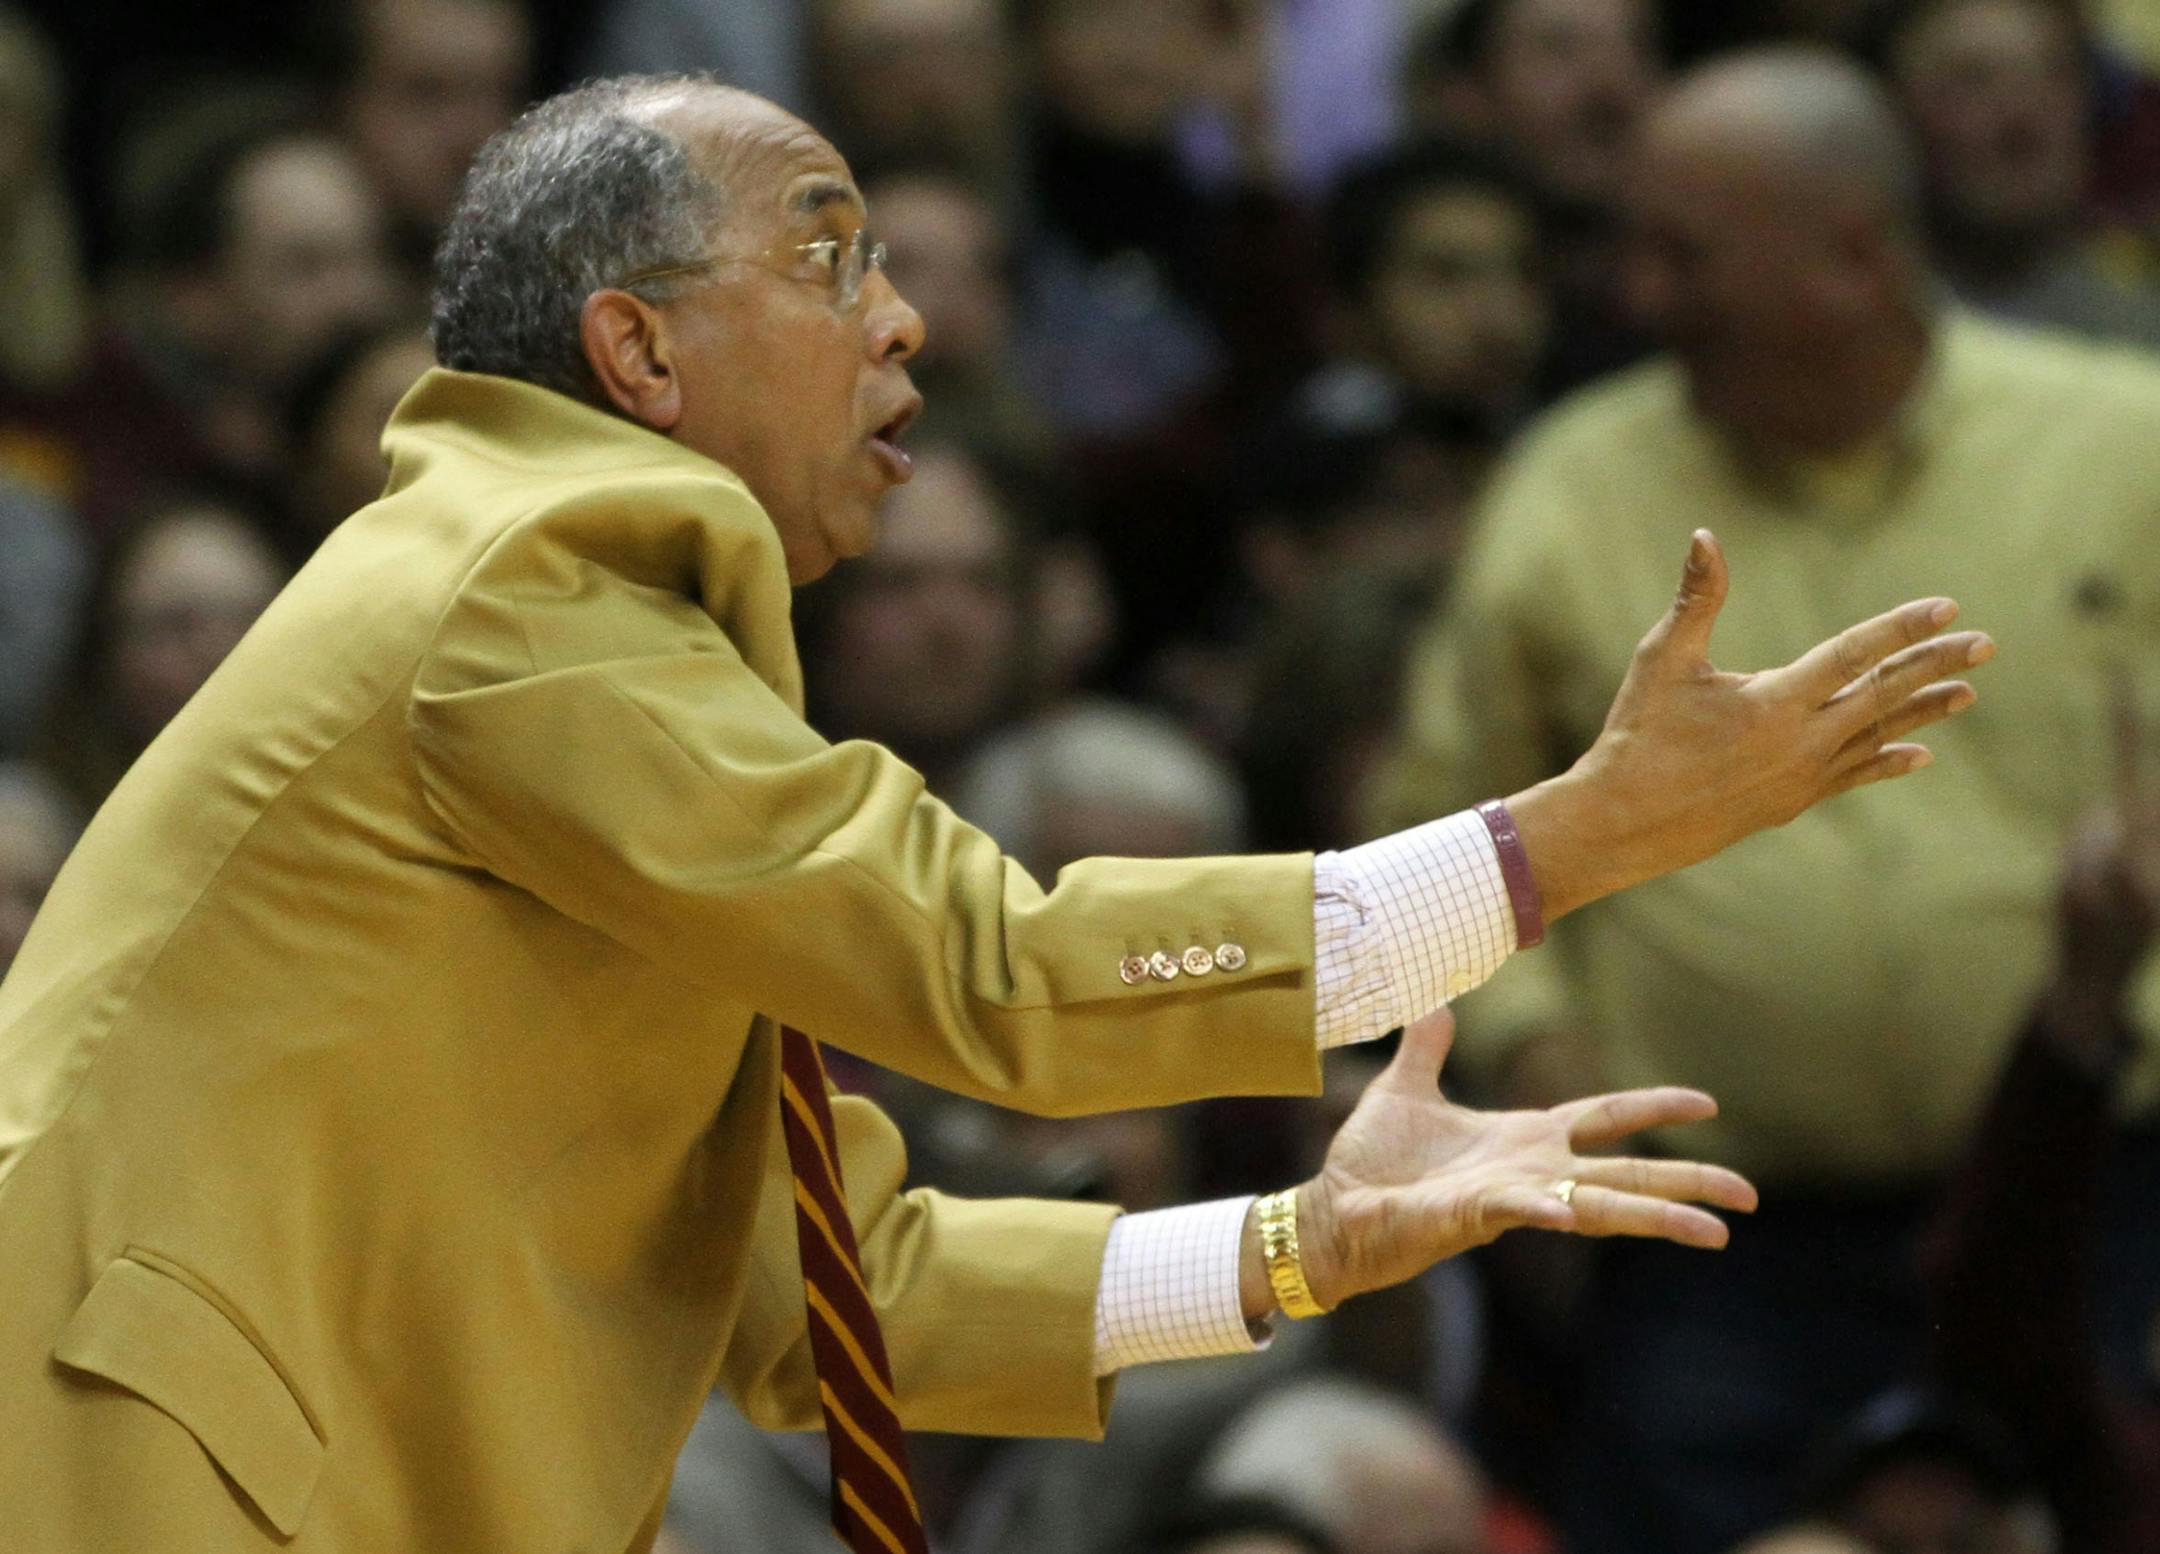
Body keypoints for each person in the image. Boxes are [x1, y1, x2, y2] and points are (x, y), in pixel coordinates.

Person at [0, 75, 1987, 1553]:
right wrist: (1554, 851)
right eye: (826, 252)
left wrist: (1306, 1243)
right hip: (142, 1463)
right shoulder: (524, 573)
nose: (905, 318)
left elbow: (830, 1289)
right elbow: (993, 971)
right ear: (638, 351)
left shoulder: (599, 689)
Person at [1368, 47, 2152, 1554]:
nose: (1637, 294)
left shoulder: (2128, 444)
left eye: (1684, 252)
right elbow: (1439, 841)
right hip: (1718, 1235)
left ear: (1853, 251)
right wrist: (1535, 1044)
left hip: (2104, 1199)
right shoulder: (1570, 485)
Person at [1877, 0, 2160, 348]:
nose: (2023, 118)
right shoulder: (1864, 330)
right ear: (1895, 112)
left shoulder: (2138, 308)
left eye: (2054, 74)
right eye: (1973, 80)